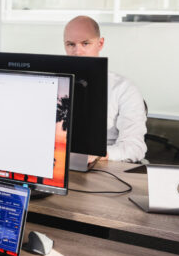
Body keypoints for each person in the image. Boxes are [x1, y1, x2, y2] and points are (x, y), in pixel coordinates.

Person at [63, 15, 147, 162]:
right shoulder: (55, 83)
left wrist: (98, 155)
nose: (77, 52)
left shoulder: (123, 88)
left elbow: (135, 147)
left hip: (103, 165)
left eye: (85, 43)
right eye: (71, 44)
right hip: (58, 160)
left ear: (100, 44)